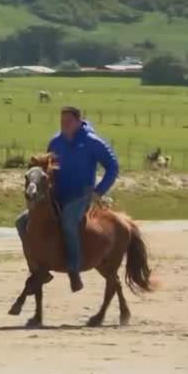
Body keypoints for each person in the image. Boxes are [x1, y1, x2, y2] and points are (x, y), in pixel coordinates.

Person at [15, 106, 119, 292]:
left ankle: (73, 269)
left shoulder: (93, 142)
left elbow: (112, 166)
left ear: (79, 122)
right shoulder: (56, 142)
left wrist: (99, 191)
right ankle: (36, 267)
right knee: (22, 221)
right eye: (62, 122)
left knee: (68, 221)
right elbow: (47, 169)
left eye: (69, 122)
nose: (65, 125)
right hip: (56, 194)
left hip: (81, 195)